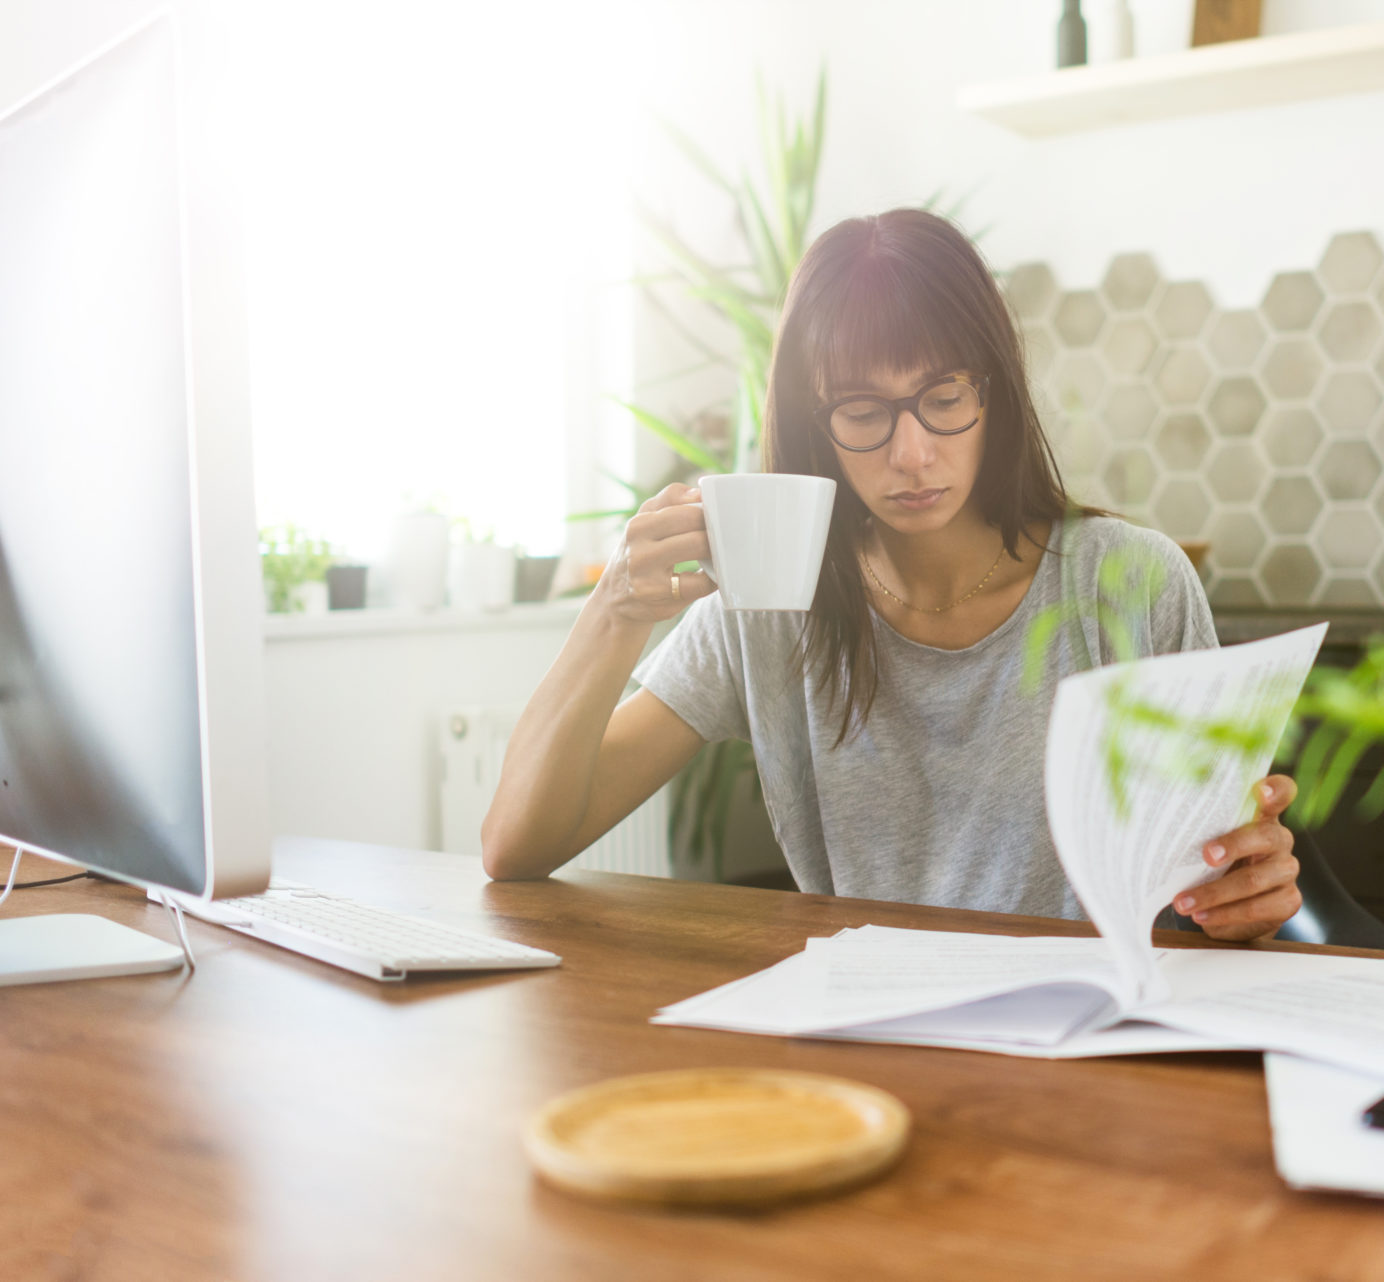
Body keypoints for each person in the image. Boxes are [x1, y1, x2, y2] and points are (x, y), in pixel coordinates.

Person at [482, 208, 1303, 941]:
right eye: (864, 411)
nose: (912, 454)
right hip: (858, 1037)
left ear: (996, 388)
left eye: (943, 397)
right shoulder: (773, 602)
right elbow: (516, 848)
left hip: (1077, 1040)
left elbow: (1213, 889)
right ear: (818, 424)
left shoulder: (1129, 585)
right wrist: (615, 611)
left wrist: (1245, 896)